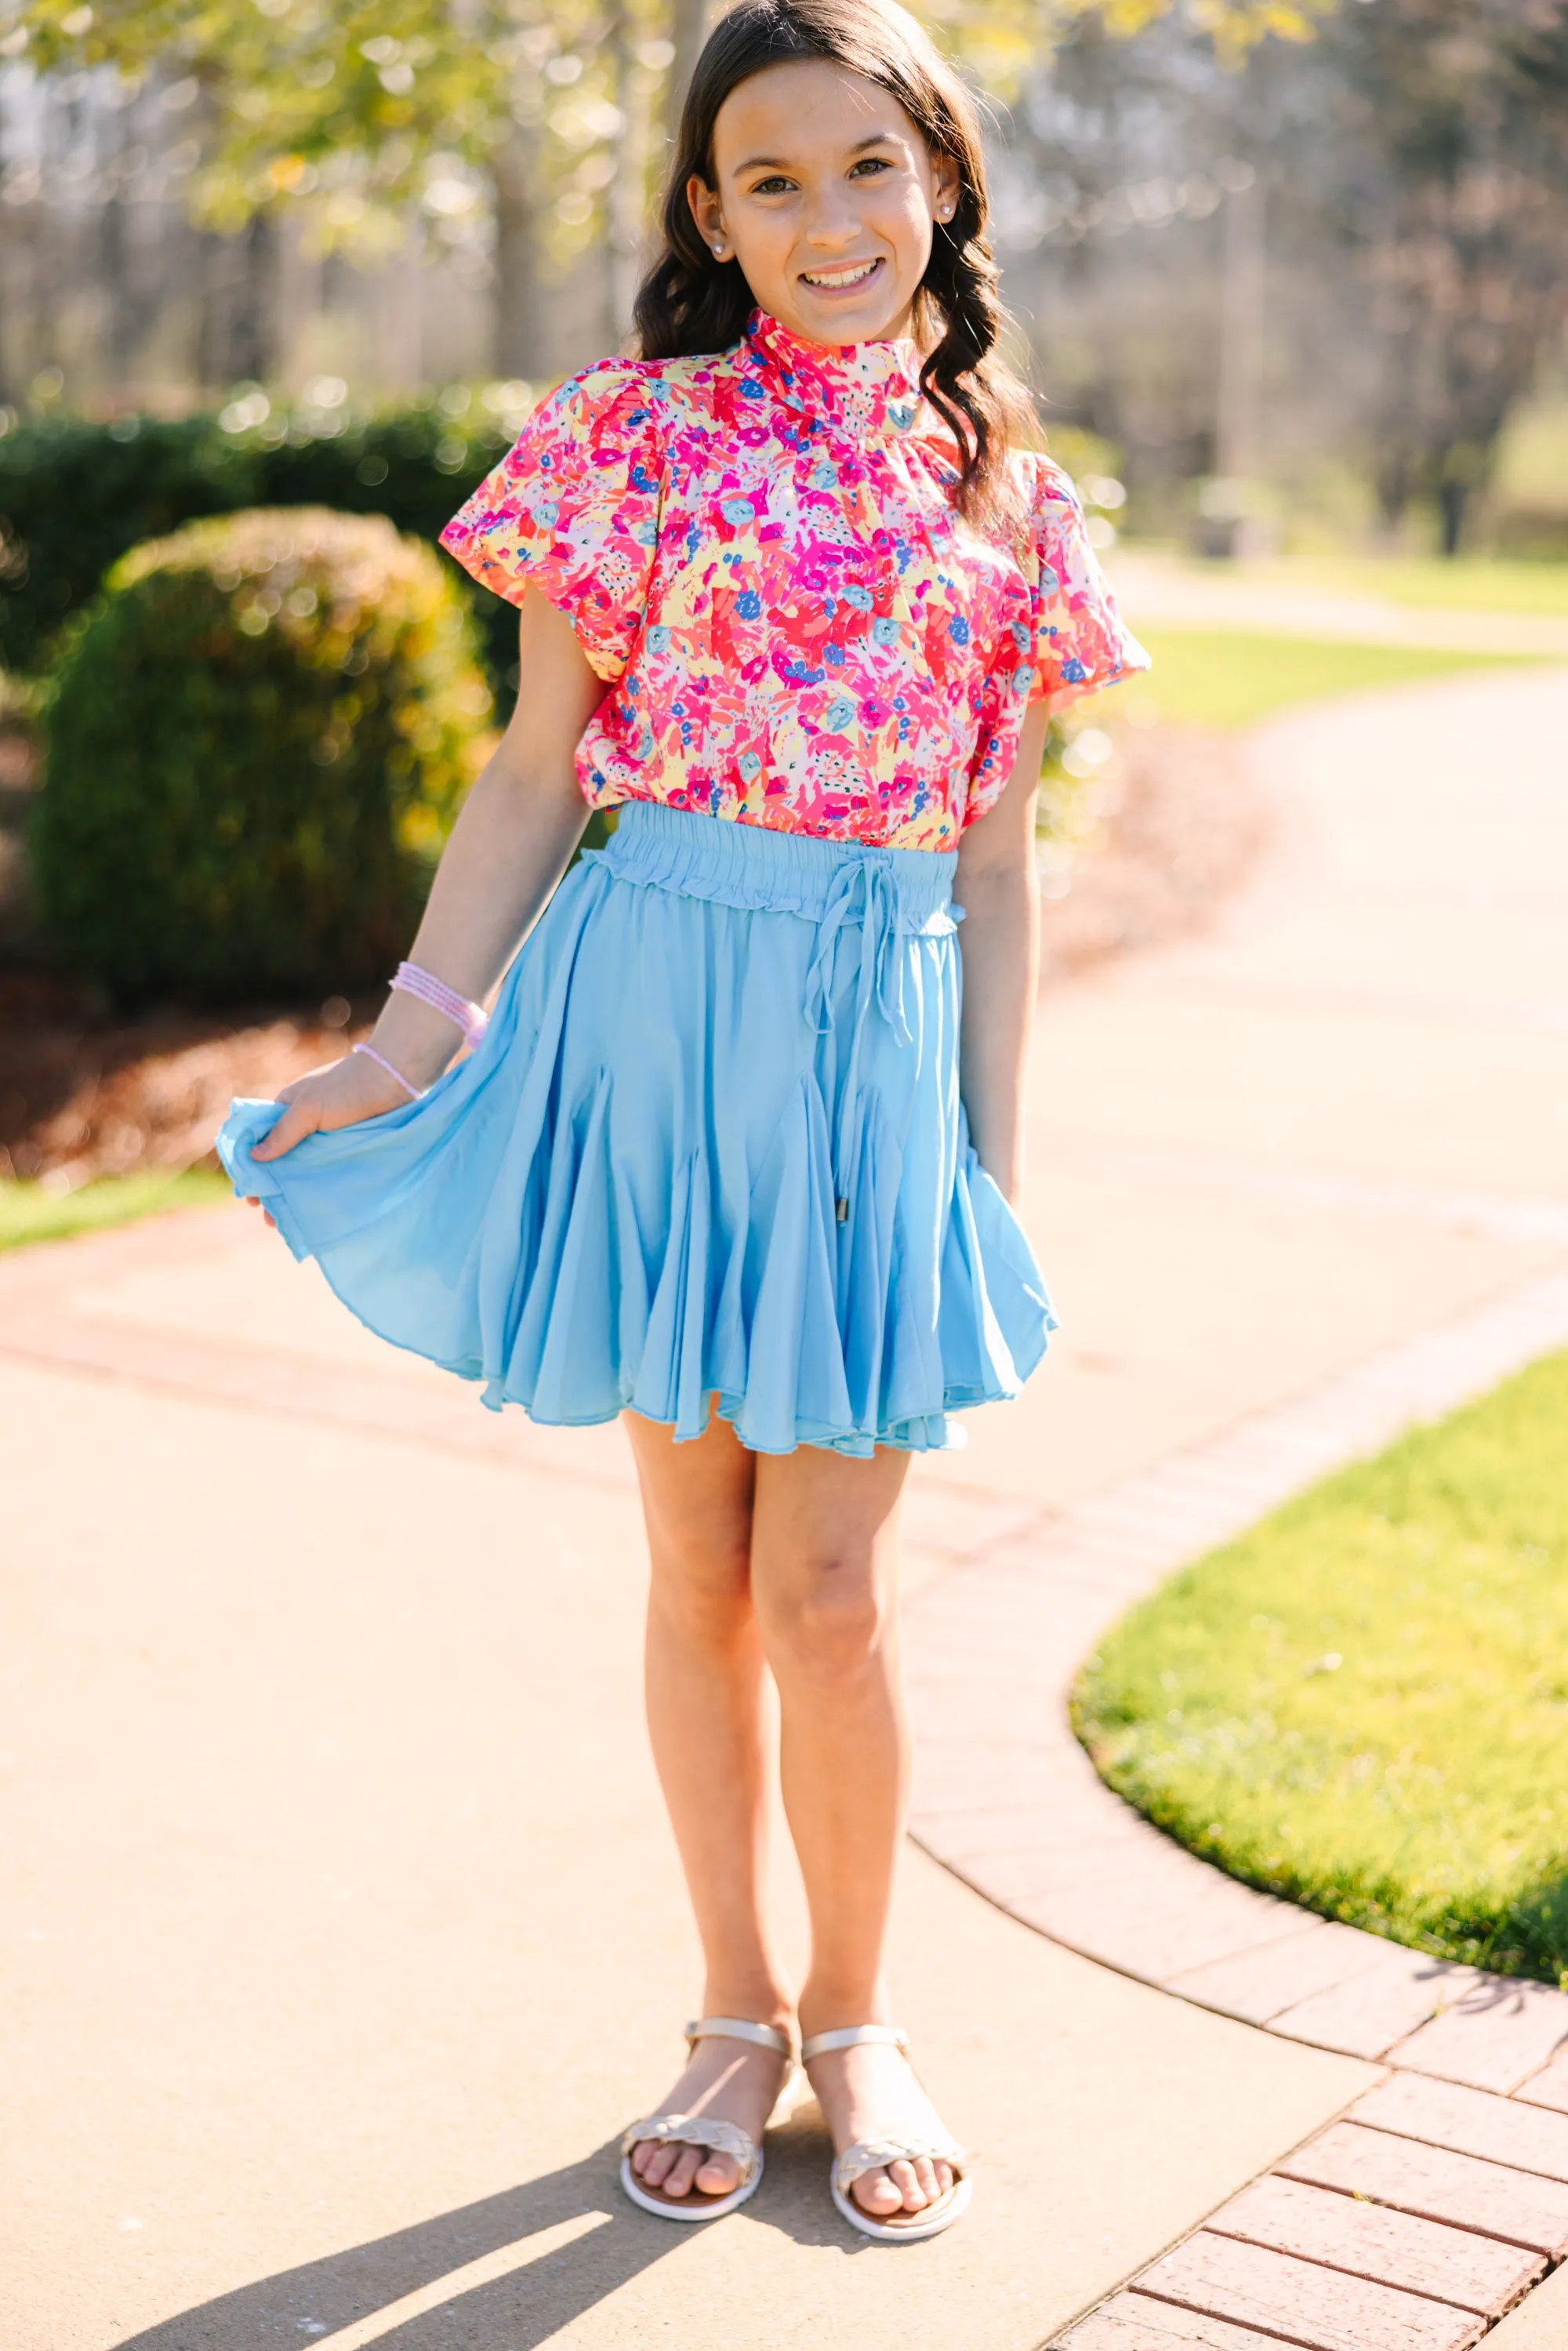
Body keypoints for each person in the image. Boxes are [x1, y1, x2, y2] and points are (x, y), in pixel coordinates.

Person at [218, 0, 1145, 2246]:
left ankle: (860, 2013)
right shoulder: (629, 439)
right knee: (704, 1566)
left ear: (945, 182)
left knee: (834, 1590)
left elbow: (998, 865)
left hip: (863, 1066)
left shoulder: (1013, 490)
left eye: (868, 169)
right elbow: (538, 771)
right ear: (709, 218)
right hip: (652, 1033)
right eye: (773, 180)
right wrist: (409, 1040)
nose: (829, 220)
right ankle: (730, 2008)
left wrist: (988, 1173)